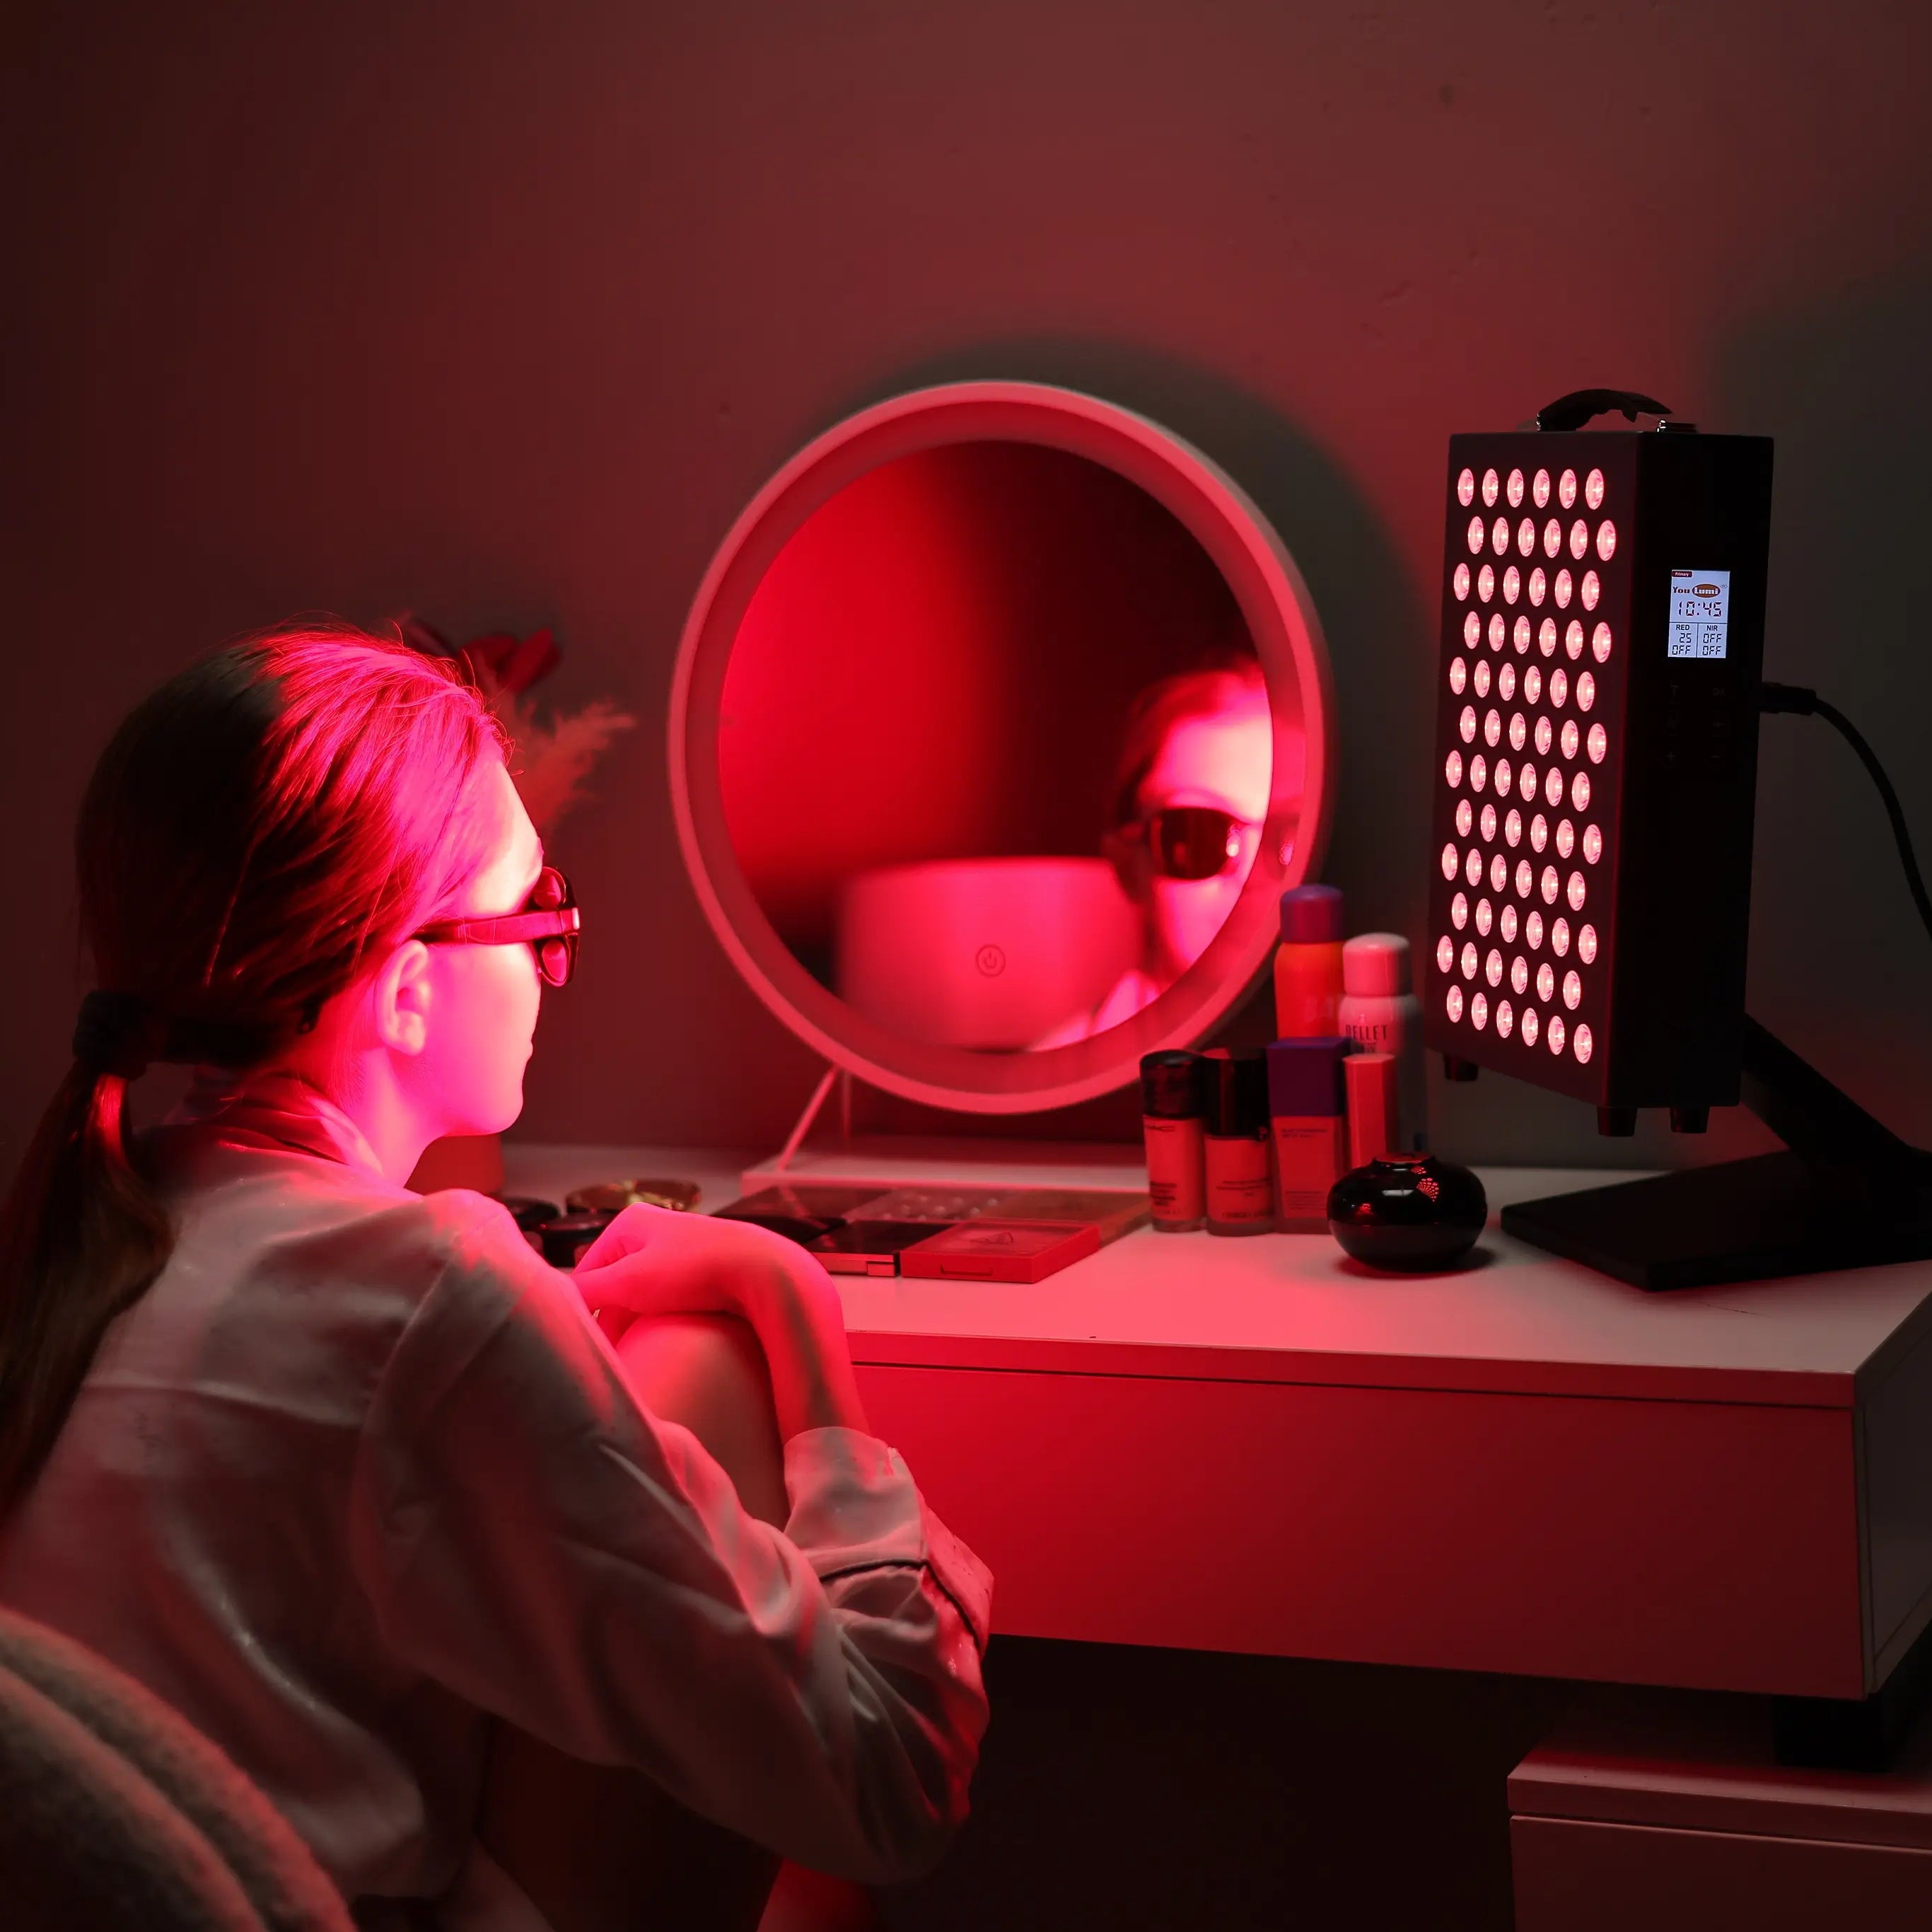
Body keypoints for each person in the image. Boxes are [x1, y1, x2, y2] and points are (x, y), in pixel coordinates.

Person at [0, 625, 991, 1931]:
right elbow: (894, 1775)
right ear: (408, 989)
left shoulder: (79, 1236)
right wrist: (796, 1309)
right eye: (540, 915)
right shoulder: (427, 1292)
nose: (551, 960)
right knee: (705, 1360)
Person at [1033, 658, 1284, 1047]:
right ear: (1128, 864)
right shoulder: (1056, 1073)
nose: (1253, 875)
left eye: (1288, 834)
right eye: (1198, 833)